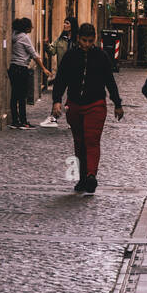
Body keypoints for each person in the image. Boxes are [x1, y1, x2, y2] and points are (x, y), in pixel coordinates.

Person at [51, 21, 124, 194]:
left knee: (92, 140)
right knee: (79, 141)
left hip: (96, 104)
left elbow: (110, 81)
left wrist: (117, 103)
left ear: (95, 40)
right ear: (78, 39)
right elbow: (61, 80)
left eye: (90, 41)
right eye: (84, 41)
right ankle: (82, 177)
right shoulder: (70, 56)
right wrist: (57, 101)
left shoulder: (101, 56)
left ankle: (91, 175)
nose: (86, 45)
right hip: (75, 104)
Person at [8, 18, 52, 128]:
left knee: (14, 95)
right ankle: (23, 121)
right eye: (31, 26)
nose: (32, 28)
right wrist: (44, 68)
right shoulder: (24, 37)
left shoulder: (14, 35)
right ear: (27, 28)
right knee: (22, 96)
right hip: (21, 68)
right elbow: (34, 55)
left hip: (13, 67)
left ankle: (15, 121)